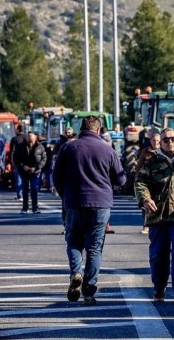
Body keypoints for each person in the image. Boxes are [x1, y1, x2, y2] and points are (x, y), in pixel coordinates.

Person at [53, 115, 126, 306]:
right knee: (94, 249)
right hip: (100, 204)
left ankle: (76, 273)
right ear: (99, 130)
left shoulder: (68, 148)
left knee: (74, 242)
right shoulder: (107, 150)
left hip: (74, 203)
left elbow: (56, 177)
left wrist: (65, 196)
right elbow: (121, 180)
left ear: (81, 128)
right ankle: (89, 292)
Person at [134, 127, 174, 304]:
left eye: (173, 139)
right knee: (158, 255)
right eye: (165, 140)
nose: (169, 142)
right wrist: (145, 199)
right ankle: (159, 287)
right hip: (158, 217)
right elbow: (140, 183)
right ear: (160, 142)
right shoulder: (151, 162)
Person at [14, 131, 46, 214]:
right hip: (24, 171)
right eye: (28, 137)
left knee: (34, 188)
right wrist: (23, 166)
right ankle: (25, 208)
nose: (30, 140)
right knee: (25, 189)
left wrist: (37, 167)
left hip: (35, 171)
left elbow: (44, 159)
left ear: (35, 138)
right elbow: (16, 158)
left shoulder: (40, 147)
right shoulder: (21, 146)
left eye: (31, 138)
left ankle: (35, 208)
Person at [136, 133, 162, 234]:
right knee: (146, 204)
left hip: (160, 183)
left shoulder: (164, 151)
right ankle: (146, 225)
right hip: (148, 182)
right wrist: (138, 178)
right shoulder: (145, 152)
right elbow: (139, 166)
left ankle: (158, 224)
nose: (156, 142)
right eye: (153, 140)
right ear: (150, 141)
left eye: (157, 140)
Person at [9, 124, 26, 199]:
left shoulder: (14, 139)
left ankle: (19, 194)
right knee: (25, 178)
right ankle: (24, 193)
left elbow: (12, 151)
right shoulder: (26, 138)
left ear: (18, 130)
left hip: (17, 161)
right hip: (26, 161)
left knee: (18, 177)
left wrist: (11, 160)